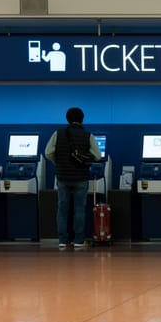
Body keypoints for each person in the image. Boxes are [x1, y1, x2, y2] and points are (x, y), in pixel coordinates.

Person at [44, 107, 100, 250]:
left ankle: (62, 240)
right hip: (81, 177)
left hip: (62, 176)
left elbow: (48, 152)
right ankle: (78, 241)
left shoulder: (58, 134)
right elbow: (98, 156)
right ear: (82, 119)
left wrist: (59, 162)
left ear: (67, 119)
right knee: (79, 208)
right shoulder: (88, 136)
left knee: (62, 208)